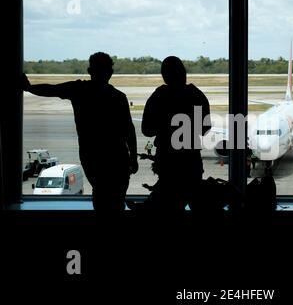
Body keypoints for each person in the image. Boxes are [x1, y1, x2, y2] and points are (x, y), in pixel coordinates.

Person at [22, 52, 138, 212]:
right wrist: (133, 156)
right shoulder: (118, 97)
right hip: (117, 158)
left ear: (90, 71)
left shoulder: (79, 89)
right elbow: (129, 130)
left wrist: (28, 87)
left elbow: (51, 89)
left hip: (92, 156)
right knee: (116, 199)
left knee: (101, 196)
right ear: (110, 72)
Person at [141, 56, 211, 211]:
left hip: (167, 162)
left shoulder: (159, 96)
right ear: (183, 73)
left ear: (164, 76)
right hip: (190, 161)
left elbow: (146, 130)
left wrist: (165, 126)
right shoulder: (196, 95)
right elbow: (205, 129)